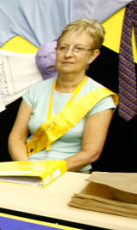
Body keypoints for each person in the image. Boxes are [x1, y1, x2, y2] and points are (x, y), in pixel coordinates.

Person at [8, 19, 118, 172]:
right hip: (28, 170)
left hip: (70, 174)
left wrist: (48, 172)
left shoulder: (99, 97)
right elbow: (16, 138)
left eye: (78, 49)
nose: (68, 54)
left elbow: (90, 153)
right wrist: (27, 169)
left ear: (93, 56)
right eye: (62, 48)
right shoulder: (36, 89)